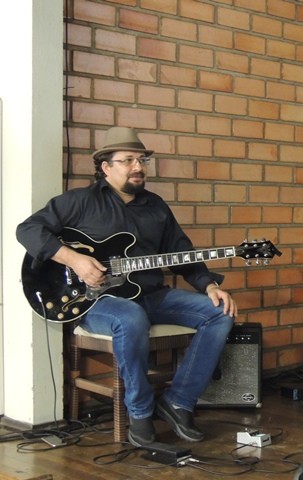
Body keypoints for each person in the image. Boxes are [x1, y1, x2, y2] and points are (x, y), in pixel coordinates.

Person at [17, 127, 237, 446]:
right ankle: (140, 412)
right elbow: (27, 230)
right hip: (94, 301)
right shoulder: (80, 201)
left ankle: (178, 402)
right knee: (131, 317)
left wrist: (209, 285)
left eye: (142, 160)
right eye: (128, 160)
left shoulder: (156, 206)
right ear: (106, 167)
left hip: (151, 295)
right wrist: (75, 260)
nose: (138, 166)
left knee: (219, 312)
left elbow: (180, 251)